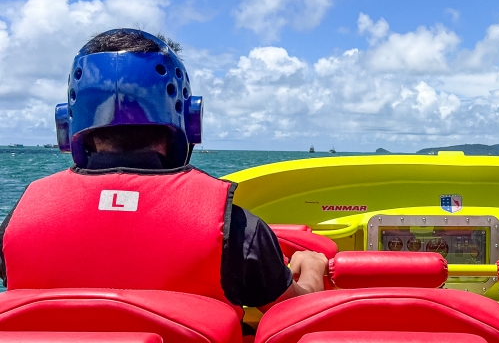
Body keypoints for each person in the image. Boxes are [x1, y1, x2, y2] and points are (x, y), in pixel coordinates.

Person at [0, 29, 327, 319]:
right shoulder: (234, 227)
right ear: (190, 118)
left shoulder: (17, 223)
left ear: (68, 122)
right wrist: (311, 270)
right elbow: (294, 316)